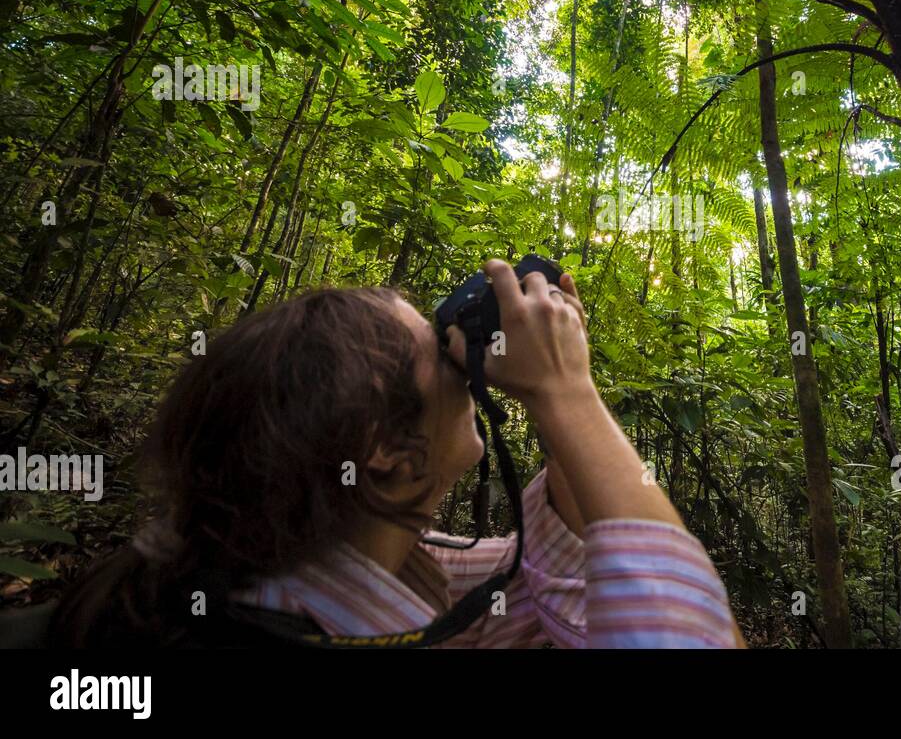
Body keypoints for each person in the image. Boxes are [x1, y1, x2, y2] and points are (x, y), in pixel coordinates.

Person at [47, 260, 741, 648]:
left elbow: (527, 578)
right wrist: (569, 394)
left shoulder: (310, 567)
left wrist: (552, 395)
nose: (459, 358)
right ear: (383, 450)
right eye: (437, 353)